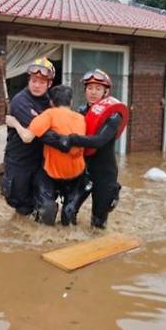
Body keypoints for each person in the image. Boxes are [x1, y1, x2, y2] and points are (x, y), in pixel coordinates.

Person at [6, 85, 86, 226]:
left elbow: (27, 138)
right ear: (71, 102)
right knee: (69, 210)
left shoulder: (48, 115)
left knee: (47, 206)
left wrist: (15, 123)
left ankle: (45, 236)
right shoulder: (81, 118)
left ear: (51, 103)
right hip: (76, 172)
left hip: (53, 172)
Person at [61, 69, 129, 229]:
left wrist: (72, 139)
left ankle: (112, 196)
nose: (93, 92)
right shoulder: (80, 112)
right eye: (90, 88)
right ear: (85, 91)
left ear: (106, 92)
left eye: (98, 89)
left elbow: (99, 141)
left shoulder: (114, 116)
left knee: (98, 223)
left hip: (104, 173)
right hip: (83, 170)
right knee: (67, 214)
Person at [2, 57, 59, 216]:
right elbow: (43, 134)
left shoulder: (51, 101)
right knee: (22, 206)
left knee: (47, 205)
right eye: (33, 80)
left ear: (49, 84)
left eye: (42, 82)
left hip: (42, 161)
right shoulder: (20, 101)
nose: (36, 85)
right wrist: (64, 140)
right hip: (20, 161)